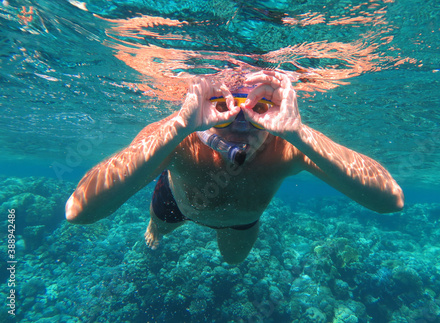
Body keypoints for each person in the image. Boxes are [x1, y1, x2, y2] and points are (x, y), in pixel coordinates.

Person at [65, 71, 404, 264]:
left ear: (276, 107)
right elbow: (78, 210)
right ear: (207, 103)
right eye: (227, 106)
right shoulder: (177, 135)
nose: (241, 122)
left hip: (241, 222)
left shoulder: (289, 146)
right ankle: (156, 229)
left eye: (260, 107)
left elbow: (390, 200)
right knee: (159, 227)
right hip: (174, 202)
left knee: (232, 262)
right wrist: (181, 126)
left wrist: (300, 134)